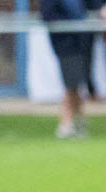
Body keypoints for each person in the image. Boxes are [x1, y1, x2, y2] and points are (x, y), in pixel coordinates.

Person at [41, 0, 92, 139]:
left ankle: (79, 122)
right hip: (66, 45)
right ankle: (66, 123)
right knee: (71, 85)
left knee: (76, 86)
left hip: (81, 44)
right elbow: (47, 15)